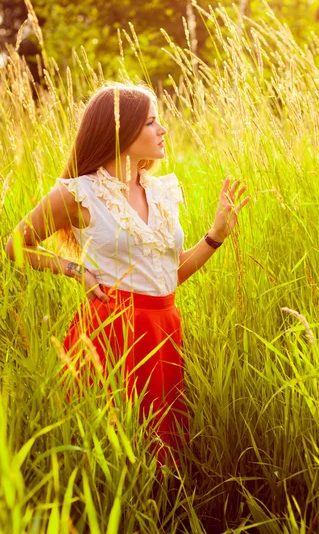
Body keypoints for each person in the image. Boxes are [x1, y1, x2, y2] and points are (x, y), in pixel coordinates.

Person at [5, 82, 251, 469]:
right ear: (120, 130)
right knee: (106, 455)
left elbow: (168, 279)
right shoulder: (78, 193)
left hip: (163, 328)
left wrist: (216, 236)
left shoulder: (162, 192)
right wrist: (76, 270)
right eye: (151, 122)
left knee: (162, 455)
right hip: (109, 331)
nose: (162, 130)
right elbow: (15, 246)